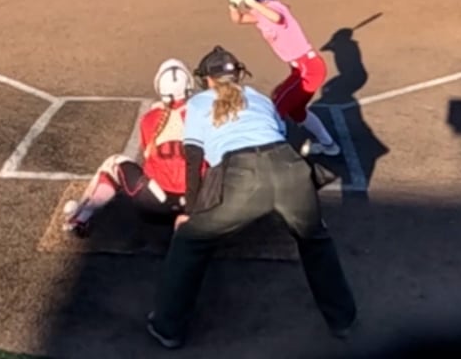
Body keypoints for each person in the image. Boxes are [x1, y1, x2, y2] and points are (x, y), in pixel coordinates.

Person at [146, 45, 357, 349]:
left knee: (190, 240)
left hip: (243, 176)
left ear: (207, 79)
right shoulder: (259, 97)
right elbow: (278, 139)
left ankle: (167, 327)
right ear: (239, 75)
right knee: (315, 241)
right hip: (291, 170)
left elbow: (194, 160)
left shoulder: (199, 102)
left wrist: (191, 213)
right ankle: (343, 320)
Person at [61, 58, 201, 237]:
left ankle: (80, 218)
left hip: (153, 202)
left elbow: (148, 156)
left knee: (113, 163)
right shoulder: (204, 115)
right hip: (196, 203)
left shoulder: (150, 119)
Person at [228, 0, 340, 156]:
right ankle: (329, 145)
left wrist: (251, 2)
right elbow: (239, 19)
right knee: (296, 112)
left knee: (276, 107)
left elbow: (277, 18)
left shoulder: (276, 7)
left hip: (308, 68)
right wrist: (233, 5)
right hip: (300, 69)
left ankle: (280, 157)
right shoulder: (259, 13)